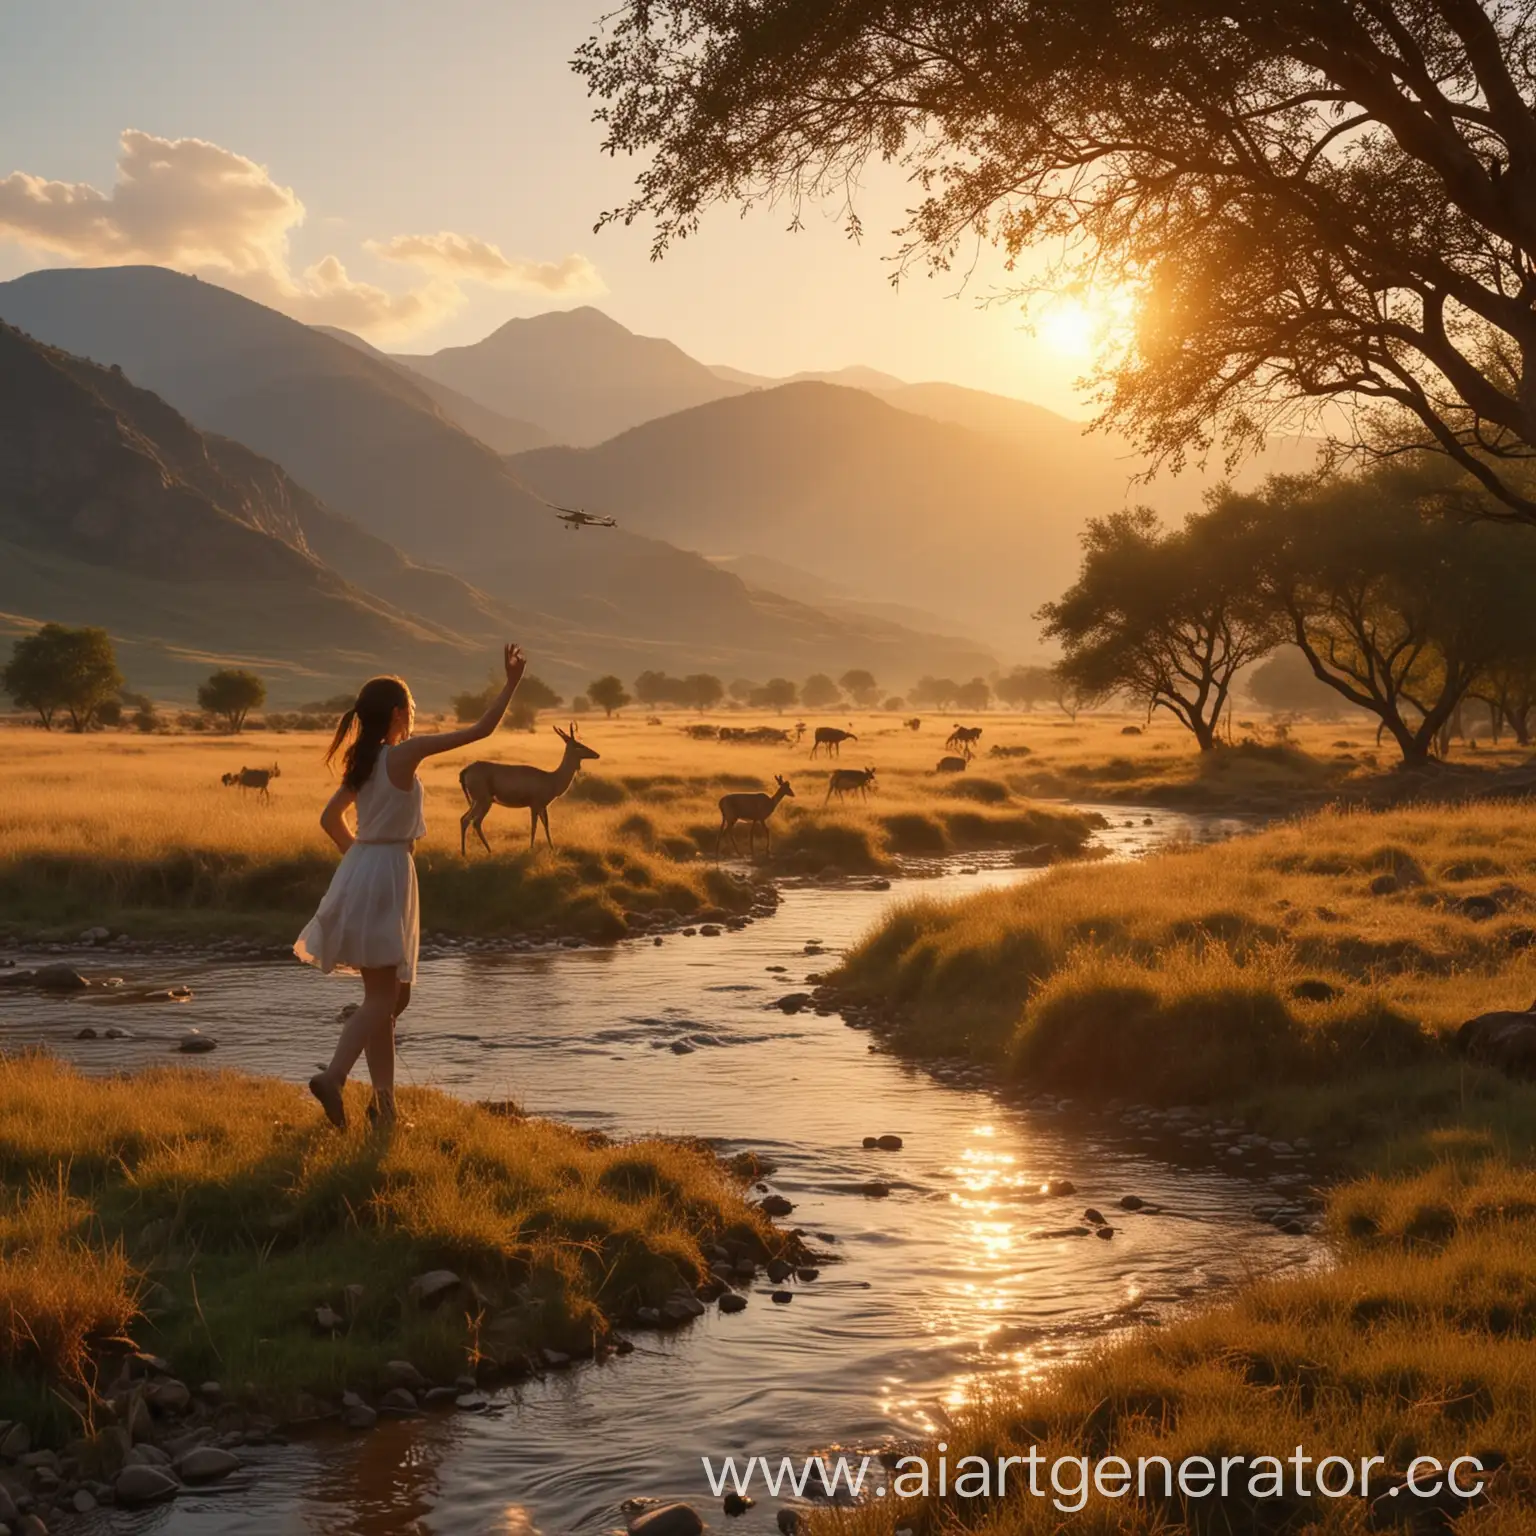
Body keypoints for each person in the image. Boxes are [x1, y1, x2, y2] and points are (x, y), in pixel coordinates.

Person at [296, 644, 526, 1129]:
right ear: (398, 713)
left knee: (390, 999)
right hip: (388, 873)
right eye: (412, 710)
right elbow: (480, 731)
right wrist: (511, 684)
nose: (415, 718)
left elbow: (329, 819)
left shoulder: (364, 762)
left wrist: (359, 860)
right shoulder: (403, 754)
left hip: (365, 869)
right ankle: (334, 1078)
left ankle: (385, 1106)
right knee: (385, 998)